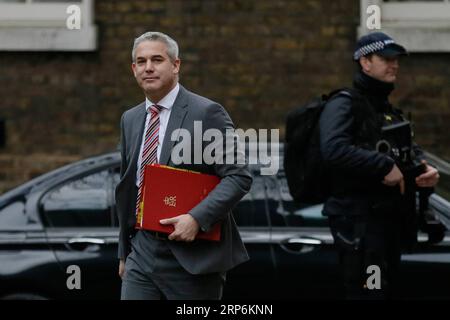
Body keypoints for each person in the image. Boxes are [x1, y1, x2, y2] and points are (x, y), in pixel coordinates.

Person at [115, 31, 252, 300]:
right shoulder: (130, 119)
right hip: (141, 253)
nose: (149, 68)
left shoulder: (206, 113)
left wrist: (196, 219)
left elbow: (238, 176)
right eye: (141, 62)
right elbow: (128, 188)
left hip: (193, 258)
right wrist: (124, 253)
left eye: (157, 59)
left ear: (176, 65)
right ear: (134, 69)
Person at [319, 32, 439, 299]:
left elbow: (405, 150)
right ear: (365, 62)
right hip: (360, 226)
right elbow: (333, 149)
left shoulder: (386, 110)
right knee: (371, 294)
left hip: (387, 225)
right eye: (385, 58)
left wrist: (424, 169)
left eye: (396, 59)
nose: (394, 64)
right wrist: (384, 166)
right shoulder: (344, 104)